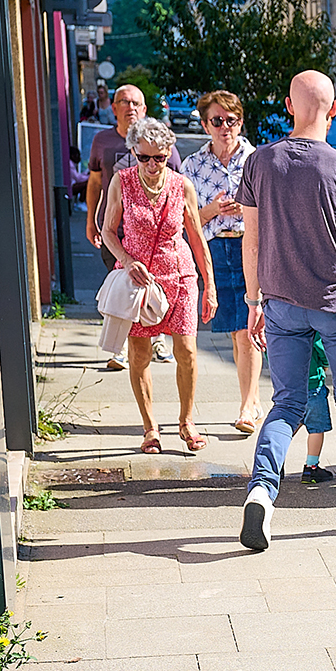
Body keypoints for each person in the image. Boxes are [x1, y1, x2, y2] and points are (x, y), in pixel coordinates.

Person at [238, 70, 336, 549]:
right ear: (334, 110)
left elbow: (252, 238)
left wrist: (253, 298)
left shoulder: (260, 162)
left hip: (281, 302)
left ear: (288, 105)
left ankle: (262, 491)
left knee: (287, 404)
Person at [96, 117, 217, 454]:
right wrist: (127, 258)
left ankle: (186, 421)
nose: (151, 165)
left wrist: (210, 285)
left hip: (179, 276)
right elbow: (108, 231)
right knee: (140, 354)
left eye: (159, 158)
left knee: (188, 352)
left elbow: (196, 237)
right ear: (134, 152)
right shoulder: (121, 182)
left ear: (168, 153)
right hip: (139, 279)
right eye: (143, 157)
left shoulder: (182, 186)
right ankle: (150, 428)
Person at [182, 90, 262, 434]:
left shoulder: (257, 159)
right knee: (234, 332)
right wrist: (214, 208)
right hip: (215, 252)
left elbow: (272, 210)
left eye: (231, 120)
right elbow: (185, 222)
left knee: (248, 331)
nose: (225, 127)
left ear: (240, 122)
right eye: (217, 121)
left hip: (251, 246)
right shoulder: (193, 166)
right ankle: (254, 397)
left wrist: (248, 211)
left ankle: (247, 406)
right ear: (205, 125)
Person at [88, 84, 184, 371]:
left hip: (151, 233)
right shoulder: (102, 141)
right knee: (123, 288)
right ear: (114, 107)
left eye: (136, 103)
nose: (130, 107)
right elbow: (94, 184)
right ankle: (120, 348)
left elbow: (177, 183)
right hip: (114, 230)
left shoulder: (161, 145)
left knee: (153, 286)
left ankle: (156, 337)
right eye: (124, 102)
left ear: (144, 109)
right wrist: (91, 220)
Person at [299, 335, 336, 484]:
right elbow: (321, 348)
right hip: (313, 384)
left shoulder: (278, 322)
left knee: (289, 423)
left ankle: (277, 460)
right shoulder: (310, 325)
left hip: (288, 385)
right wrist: (326, 363)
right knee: (316, 429)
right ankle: (311, 467)